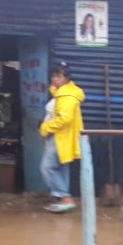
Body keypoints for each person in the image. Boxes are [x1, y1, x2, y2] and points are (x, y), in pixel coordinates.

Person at [39, 62, 84, 213]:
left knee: (47, 167)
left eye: (59, 76)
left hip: (61, 138)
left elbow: (65, 118)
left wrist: (45, 127)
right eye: (53, 75)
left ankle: (65, 197)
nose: (54, 79)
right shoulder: (60, 93)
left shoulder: (67, 95)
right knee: (60, 167)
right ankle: (63, 200)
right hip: (58, 137)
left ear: (66, 78)